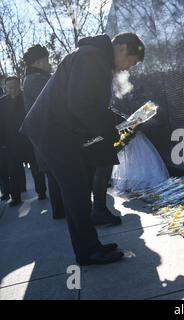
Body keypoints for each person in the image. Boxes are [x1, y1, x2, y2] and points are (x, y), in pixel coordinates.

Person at [20, 33, 145, 266]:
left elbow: (89, 104)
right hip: (52, 131)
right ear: (122, 49)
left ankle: (89, 247)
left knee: (79, 187)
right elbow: (80, 104)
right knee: (76, 190)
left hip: (58, 131)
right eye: (133, 61)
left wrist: (118, 120)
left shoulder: (94, 57)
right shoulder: (92, 57)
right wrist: (112, 127)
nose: (130, 68)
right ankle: (88, 251)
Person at [23, 44, 64, 218]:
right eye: (47, 60)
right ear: (39, 61)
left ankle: (59, 210)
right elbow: (54, 104)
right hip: (49, 136)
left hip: (43, 137)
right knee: (58, 175)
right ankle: (63, 210)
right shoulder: (37, 80)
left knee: (54, 175)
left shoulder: (31, 79)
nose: (49, 63)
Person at [0, 77, 29, 207]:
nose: (12, 89)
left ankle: (41, 192)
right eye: (9, 87)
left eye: (14, 86)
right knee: (13, 170)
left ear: (19, 85)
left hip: (28, 138)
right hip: (11, 141)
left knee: (36, 167)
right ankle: (16, 197)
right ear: (5, 87)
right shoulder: (2, 103)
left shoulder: (26, 98)